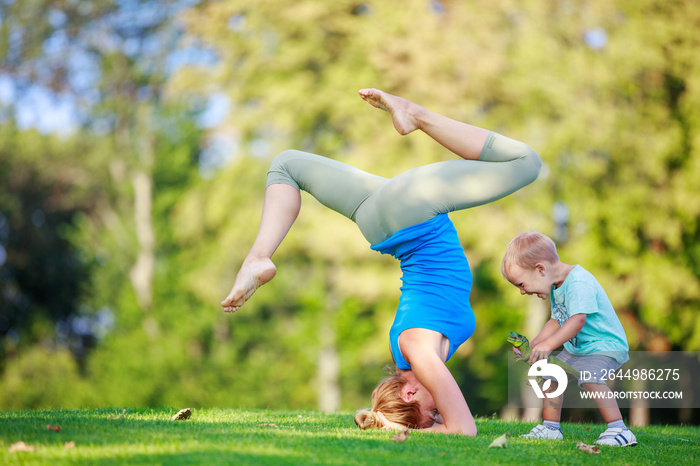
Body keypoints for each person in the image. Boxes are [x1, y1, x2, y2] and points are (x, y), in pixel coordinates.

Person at [221, 88, 542, 435]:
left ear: (410, 391)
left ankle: (415, 114)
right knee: (285, 164)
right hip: (376, 220)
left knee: (527, 163)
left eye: (431, 412)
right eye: (436, 418)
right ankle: (258, 257)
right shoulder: (407, 350)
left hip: (413, 213)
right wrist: (388, 421)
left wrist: (413, 428)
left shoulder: (418, 353)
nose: (439, 413)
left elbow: (463, 430)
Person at [501, 232, 637, 446]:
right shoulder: (558, 286)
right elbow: (557, 321)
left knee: (590, 377)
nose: (521, 291)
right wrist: (535, 344)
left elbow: (577, 320)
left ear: (540, 269)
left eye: (521, 284)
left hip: (604, 345)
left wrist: (549, 345)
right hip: (580, 349)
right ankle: (551, 428)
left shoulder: (578, 282)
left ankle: (619, 430)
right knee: (550, 375)